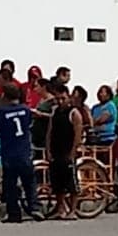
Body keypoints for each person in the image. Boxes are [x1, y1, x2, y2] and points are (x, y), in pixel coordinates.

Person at [0, 84, 42, 223]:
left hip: (9, 153)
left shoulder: (2, 112)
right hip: (24, 151)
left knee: (10, 184)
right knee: (29, 182)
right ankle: (34, 207)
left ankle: (14, 213)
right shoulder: (25, 110)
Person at [47, 83, 82, 220]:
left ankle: (73, 210)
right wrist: (48, 150)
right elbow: (50, 132)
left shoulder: (74, 113)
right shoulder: (55, 112)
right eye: (58, 99)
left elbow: (78, 134)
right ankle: (60, 208)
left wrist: (73, 152)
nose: (60, 101)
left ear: (68, 97)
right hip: (56, 151)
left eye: (63, 98)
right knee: (57, 183)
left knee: (71, 183)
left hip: (68, 152)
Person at [30, 79, 54, 157]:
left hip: (45, 134)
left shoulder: (52, 101)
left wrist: (41, 114)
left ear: (43, 87)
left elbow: (54, 116)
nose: (35, 89)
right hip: (37, 134)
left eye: (37, 86)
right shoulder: (41, 100)